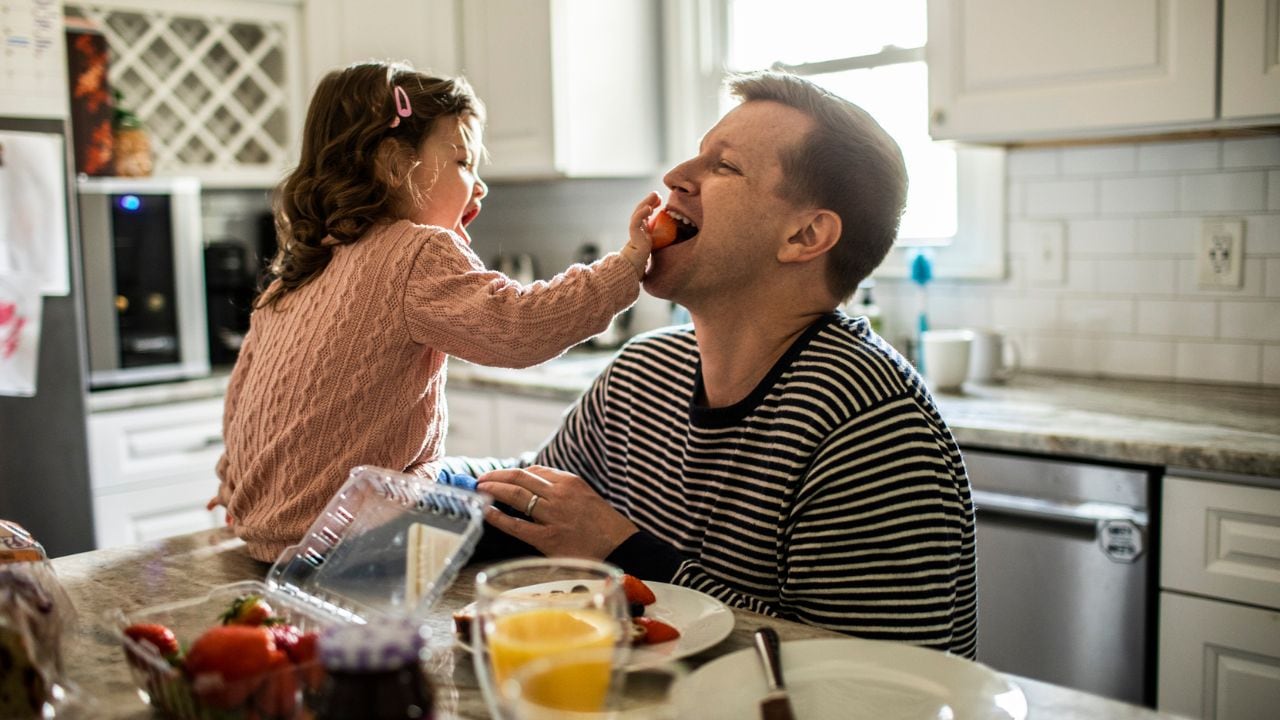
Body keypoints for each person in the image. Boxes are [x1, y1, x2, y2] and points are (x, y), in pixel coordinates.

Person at [447, 70, 978, 658]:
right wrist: (402, 479)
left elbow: (861, 676)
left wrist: (620, 550)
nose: (675, 177)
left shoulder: (871, 428)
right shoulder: (644, 372)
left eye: (724, 166)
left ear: (805, 235)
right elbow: (538, 503)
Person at [211, 61, 656, 562]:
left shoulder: (294, 274)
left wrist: (236, 485)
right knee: (544, 514)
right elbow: (519, 327)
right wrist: (627, 266)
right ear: (394, 164)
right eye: (464, 162)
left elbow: (242, 404)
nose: (480, 185)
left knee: (481, 476)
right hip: (364, 533)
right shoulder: (415, 252)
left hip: (271, 537)